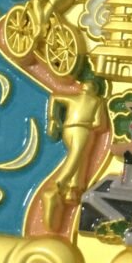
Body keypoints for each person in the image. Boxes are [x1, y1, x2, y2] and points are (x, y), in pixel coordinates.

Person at [44, 81, 107, 229]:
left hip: (68, 129)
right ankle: (58, 185)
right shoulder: (96, 101)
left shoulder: (73, 98)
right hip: (82, 130)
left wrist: (53, 118)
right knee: (76, 157)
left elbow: (54, 97)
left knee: (79, 159)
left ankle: (71, 192)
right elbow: (99, 123)